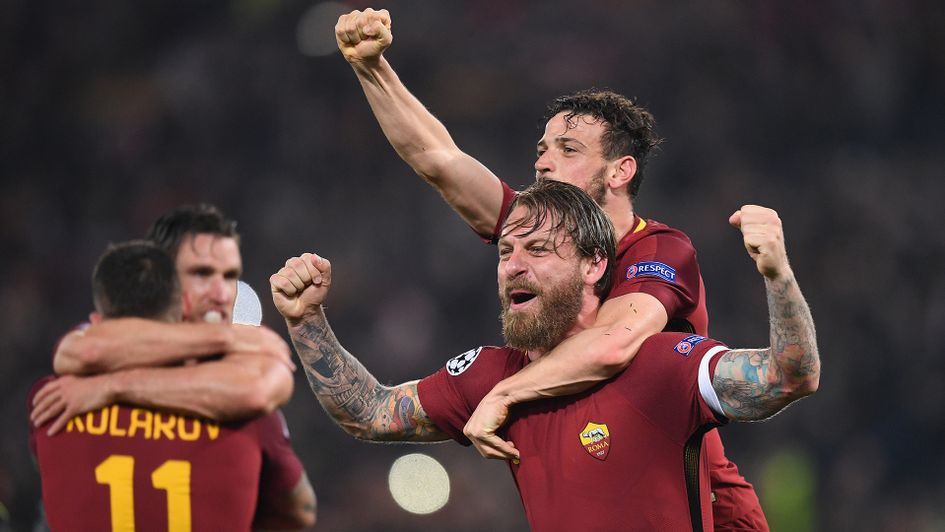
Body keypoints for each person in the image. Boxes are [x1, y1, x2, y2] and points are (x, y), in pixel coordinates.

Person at [335, 8, 766, 529]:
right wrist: (372, 68)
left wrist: (502, 394)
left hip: (699, 507)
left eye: (567, 149)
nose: (543, 162)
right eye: (542, 149)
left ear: (619, 171)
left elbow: (612, 343)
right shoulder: (536, 232)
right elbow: (438, 158)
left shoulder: (658, 249)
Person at [271, 180, 819, 531]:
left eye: (537, 250)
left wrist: (777, 275)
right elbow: (368, 412)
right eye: (506, 251)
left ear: (594, 265)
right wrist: (305, 319)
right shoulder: (489, 374)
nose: (513, 265)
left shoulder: (658, 364)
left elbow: (789, 376)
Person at [29, 240, 316, 531]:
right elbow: (300, 512)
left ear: (96, 321)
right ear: (183, 310)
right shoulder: (243, 411)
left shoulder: (52, 401)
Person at [32, 204, 295, 435]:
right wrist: (227, 337)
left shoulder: (247, 358)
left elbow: (259, 391)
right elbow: (82, 352)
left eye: (229, 276)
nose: (222, 295)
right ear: (164, 276)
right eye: (201, 273)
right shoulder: (246, 342)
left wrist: (110, 386)